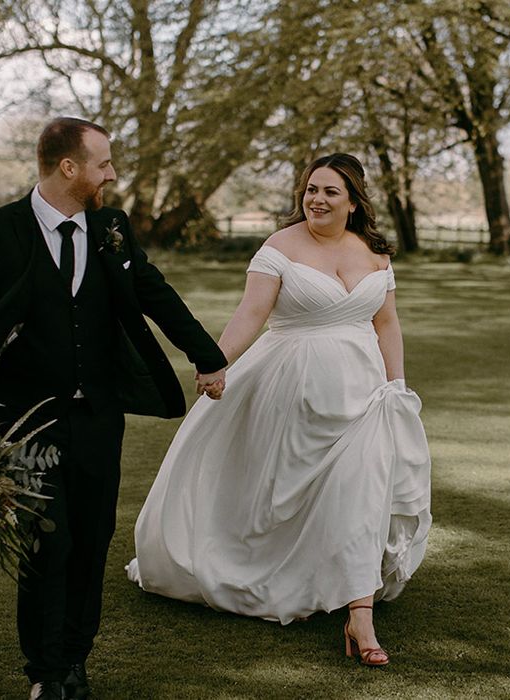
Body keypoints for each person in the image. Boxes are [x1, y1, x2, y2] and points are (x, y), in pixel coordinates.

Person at [0, 117, 227, 700]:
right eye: (103, 163)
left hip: (99, 418)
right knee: (49, 544)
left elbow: (154, 293)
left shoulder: (110, 228)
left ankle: (75, 660)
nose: (112, 173)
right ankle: (46, 673)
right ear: (68, 168)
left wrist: (208, 356)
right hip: (23, 425)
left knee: (93, 538)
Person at [127, 153, 431, 667]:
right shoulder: (280, 247)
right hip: (293, 385)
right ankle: (293, 572)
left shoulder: (376, 252)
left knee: (361, 488)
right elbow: (252, 312)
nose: (316, 199)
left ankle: (360, 614)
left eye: (330, 191)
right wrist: (215, 362)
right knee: (284, 496)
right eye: (311, 189)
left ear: (354, 201)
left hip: (364, 392)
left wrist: (396, 385)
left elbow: (387, 323)